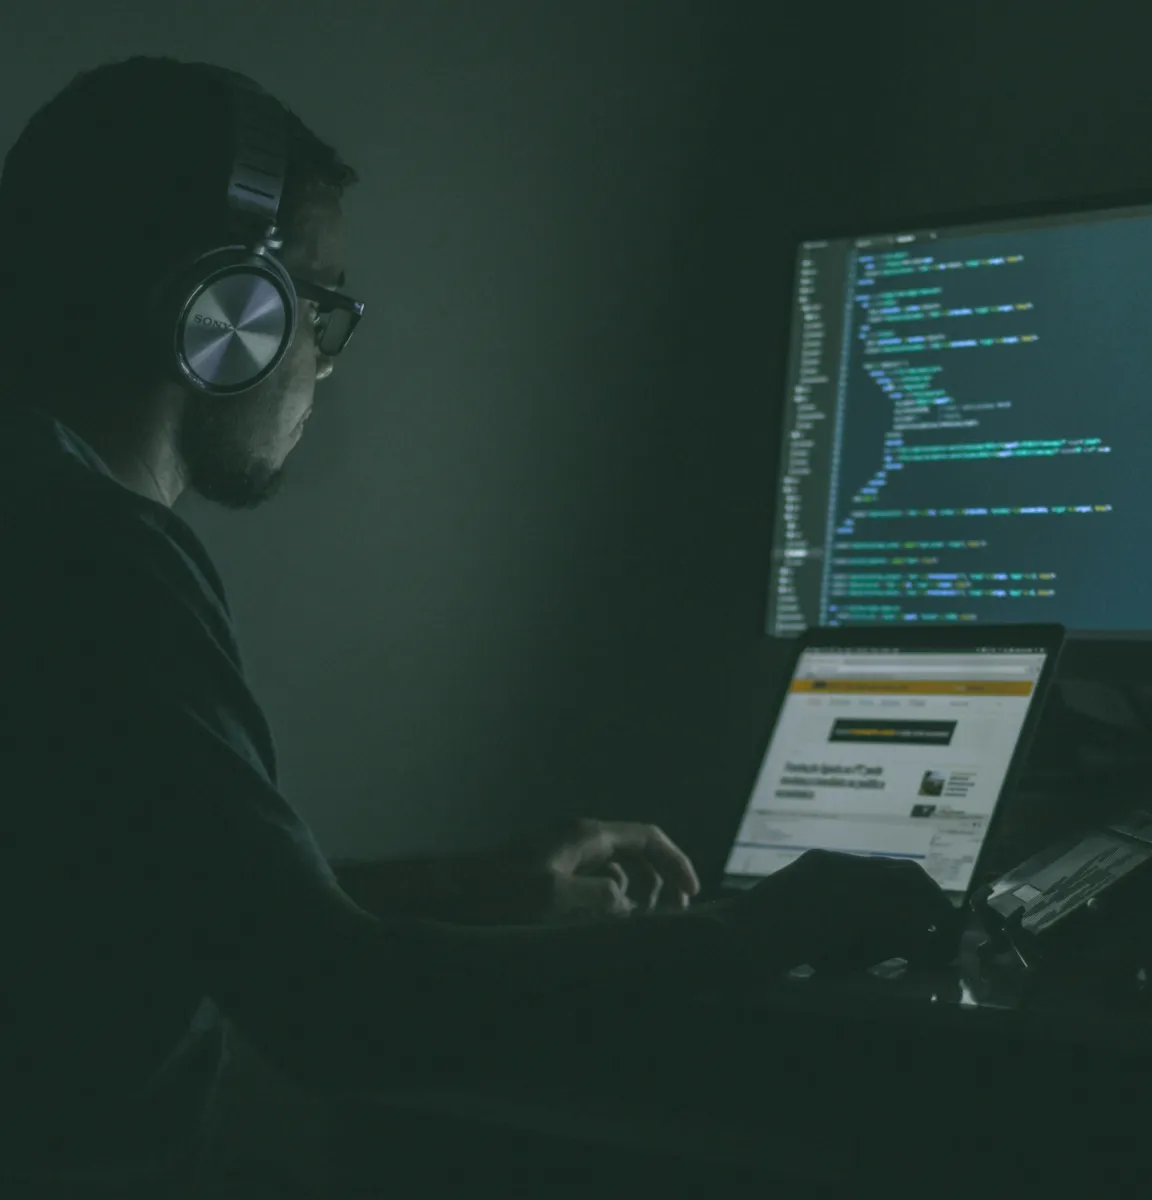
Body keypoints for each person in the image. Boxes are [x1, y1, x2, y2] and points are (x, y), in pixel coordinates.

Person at [0, 57, 954, 1196]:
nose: (323, 364)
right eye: (323, 304)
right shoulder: (96, 556)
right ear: (224, 313)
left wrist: (470, 890)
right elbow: (337, 1014)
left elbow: (173, 908)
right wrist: (761, 933)